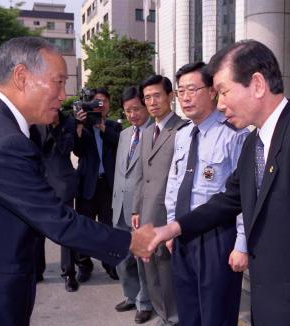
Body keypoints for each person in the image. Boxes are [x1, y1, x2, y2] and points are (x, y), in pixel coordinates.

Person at [0, 36, 151, 326]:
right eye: (57, 82)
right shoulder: (2, 141)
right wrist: (132, 241)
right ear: (21, 77)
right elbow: (57, 220)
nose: (63, 95)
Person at [146, 40, 290, 326]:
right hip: (270, 303)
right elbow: (228, 199)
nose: (220, 104)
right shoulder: (254, 142)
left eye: (223, 92)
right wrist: (174, 227)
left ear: (257, 84)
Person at [165, 62, 249, 325]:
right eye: (180, 91)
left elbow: (244, 195)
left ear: (212, 91)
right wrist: (170, 226)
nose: (185, 97)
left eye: (192, 89)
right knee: (188, 312)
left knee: (217, 314)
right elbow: (173, 184)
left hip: (217, 238)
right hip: (183, 235)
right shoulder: (182, 135)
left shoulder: (234, 134)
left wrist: (242, 244)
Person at [132, 75, 186, 326]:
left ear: (170, 96)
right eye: (147, 97)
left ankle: (174, 318)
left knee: (167, 270)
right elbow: (142, 175)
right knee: (149, 268)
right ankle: (162, 313)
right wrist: (135, 208)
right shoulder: (146, 133)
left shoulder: (182, 130)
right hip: (145, 213)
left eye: (157, 96)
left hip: (168, 215)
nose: (152, 102)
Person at [112, 86, 153, 324]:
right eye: (128, 111)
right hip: (119, 207)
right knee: (122, 257)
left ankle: (145, 302)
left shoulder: (154, 133)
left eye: (136, 109)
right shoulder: (124, 135)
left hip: (140, 210)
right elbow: (121, 174)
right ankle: (130, 295)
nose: (133, 114)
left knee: (141, 261)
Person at [74, 87, 122, 282]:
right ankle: (84, 265)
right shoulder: (82, 126)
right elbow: (75, 150)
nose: (99, 106)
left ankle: (110, 263)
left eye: (103, 102)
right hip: (87, 184)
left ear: (109, 105)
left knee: (108, 227)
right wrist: (78, 126)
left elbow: (121, 145)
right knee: (84, 227)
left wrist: (103, 128)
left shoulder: (114, 126)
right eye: (96, 102)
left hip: (108, 185)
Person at [29, 110, 79, 291]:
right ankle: (37, 270)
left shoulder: (68, 122)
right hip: (40, 183)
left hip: (63, 184)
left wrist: (57, 128)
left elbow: (67, 148)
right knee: (38, 231)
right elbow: (35, 150)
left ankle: (69, 273)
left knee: (66, 230)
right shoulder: (34, 122)